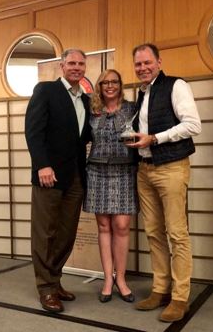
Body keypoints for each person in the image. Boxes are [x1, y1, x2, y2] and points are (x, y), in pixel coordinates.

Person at [128, 43, 201, 322]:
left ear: (159, 62)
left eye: (147, 62)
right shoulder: (142, 93)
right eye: (138, 64)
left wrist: (155, 138)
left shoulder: (176, 85)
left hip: (171, 168)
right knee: (154, 232)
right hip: (144, 170)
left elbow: (193, 124)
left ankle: (180, 297)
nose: (143, 68)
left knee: (177, 234)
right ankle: (160, 289)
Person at [25, 48, 91, 313]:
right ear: (62, 66)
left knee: (66, 232)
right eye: (71, 63)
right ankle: (45, 288)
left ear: (85, 68)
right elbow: (33, 130)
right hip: (49, 175)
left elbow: (82, 138)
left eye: (81, 63)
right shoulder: (46, 90)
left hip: (75, 175)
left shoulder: (86, 100)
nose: (76, 67)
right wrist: (42, 164)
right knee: (45, 233)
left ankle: (56, 279)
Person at [83, 69, 138, 303]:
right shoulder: (91, 110)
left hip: (124, 170)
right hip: (97, 171)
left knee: (122, 225)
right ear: (99, 86)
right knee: (104, 226)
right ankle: (107, 279)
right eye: (105, 82)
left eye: (114, 81)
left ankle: (121, 279)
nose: (110, 86)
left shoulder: (132, 108)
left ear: (120, 84)